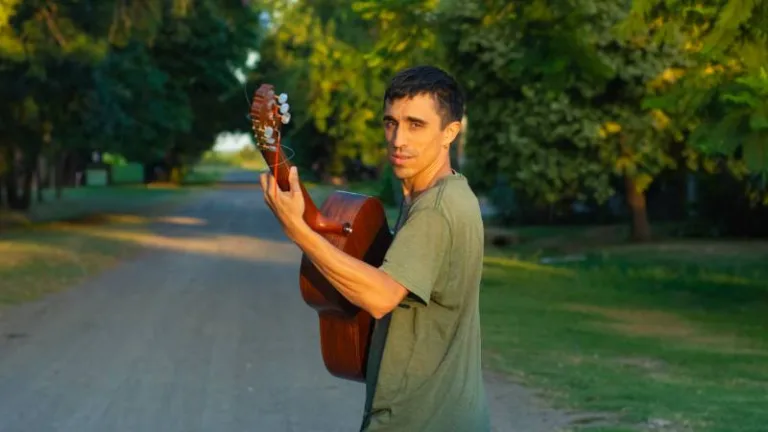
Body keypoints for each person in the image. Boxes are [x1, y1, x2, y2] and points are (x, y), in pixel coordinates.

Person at [260, 65, 490, 431]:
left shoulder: (435, 208)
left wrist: (298, 232)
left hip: (421, 420)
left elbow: (382, 296)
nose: (398, 139)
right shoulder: (439, 197)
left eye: (416, 125)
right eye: (390, 122)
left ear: (450, 133)